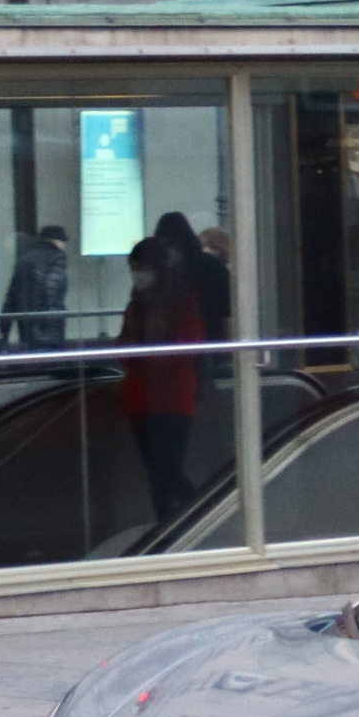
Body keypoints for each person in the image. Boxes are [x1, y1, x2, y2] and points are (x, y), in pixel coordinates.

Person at [117, 237, 203, 525]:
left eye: (140, 267)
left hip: (173, 399)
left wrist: (146, 356)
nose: (136, 274)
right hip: (141, 401)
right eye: (133, 268)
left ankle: (176, 525)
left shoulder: (183, 301)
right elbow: (124, 348)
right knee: (161, 469)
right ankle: (196, 519)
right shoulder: (135, 305)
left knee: (164, 472)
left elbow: (187, 347)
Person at [155, 211, 230, 344]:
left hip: (185, 341)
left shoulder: (161, 272)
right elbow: (226, 310)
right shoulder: (211, 265)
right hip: (210, 338)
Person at [0, 224, 70, 350]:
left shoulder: (25, 259)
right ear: (56, 241)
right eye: (63, 241)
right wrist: (53, 321)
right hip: (50, 331)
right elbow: (51, 290)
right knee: (53, 366)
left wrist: (4, 331)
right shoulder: (58, 257)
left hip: (26, 329)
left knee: (33, 365)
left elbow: (11, 298)